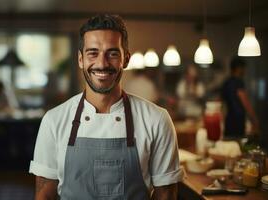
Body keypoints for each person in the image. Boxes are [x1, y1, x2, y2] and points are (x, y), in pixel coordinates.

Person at [29, 14, 184, 200]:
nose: (102, 63)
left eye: (112, 53)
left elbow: (166, 195)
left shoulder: (157, 119)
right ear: (80, 60)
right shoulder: (53, 120)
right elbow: (44, 195)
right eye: (93, 53)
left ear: (126, 59)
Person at [221, 57, 259, 138]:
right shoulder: (238, 82)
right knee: (238, 143)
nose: (245, 71)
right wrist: (254, 120)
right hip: (238, 120)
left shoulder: (226, 82)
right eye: (244, 68)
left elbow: (222, 103)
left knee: (229, 143)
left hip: (229, 120)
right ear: (239, 68)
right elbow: (245, 102)